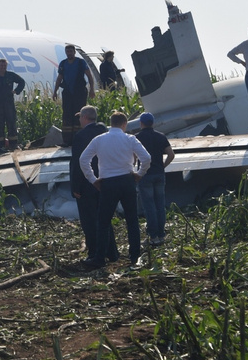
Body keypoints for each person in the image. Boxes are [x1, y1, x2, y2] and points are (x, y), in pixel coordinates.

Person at [79, 111, 150, 268]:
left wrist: (92, 179)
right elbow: (146, 158)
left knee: (103, 221)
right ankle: (135, 256)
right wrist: (139, 174)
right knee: (132, 220)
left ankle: (99, 258)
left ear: (111, 123)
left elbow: (83, 160)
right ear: (124, 124)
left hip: (108, 183)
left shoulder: (99, 140)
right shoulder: (130, 139)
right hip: (127, 180)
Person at [69, 105, 120, 266]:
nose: (79, 120)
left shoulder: (81, 136)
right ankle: (112, 252)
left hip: (88, 184)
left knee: (90, 221)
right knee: (105, 219)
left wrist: (75, 187)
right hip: (107, 180)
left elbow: (78, 163)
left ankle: (95, 254)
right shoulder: (105, 131)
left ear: (84, 118)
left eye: (80, 118)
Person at [135, 112, 175, 246]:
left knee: (149, 206)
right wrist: (163, 166)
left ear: (141, 123)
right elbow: (171, 155)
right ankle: (161, 234)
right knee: (160, 205)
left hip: (145, 175)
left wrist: (135, 170)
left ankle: (153, 236)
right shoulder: (161, 136)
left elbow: (133, 158)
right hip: (159, 174)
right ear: (153, 123)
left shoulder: (137, 138)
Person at [52, 44, 95, 146]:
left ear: (74, 52)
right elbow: (59, 78)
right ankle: (67, 140)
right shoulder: (63, 64)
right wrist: (55, 91)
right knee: (67, 115)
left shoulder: (80, 62)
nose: (69, 53)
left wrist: (92, 90)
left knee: (79, 114)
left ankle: (79, 139)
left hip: (79, 91)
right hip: (67, 92)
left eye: (71, 51)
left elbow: (89, 76)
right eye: (67, 52)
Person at [0, 58, 25, 152]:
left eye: (4, 65)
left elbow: (22, 82)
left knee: (11, 122)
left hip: (8, 102)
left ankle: (13, 144)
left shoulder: (10, 75)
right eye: (1, 65)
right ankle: (1, 145)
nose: (3, 67)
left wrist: (16, 91)